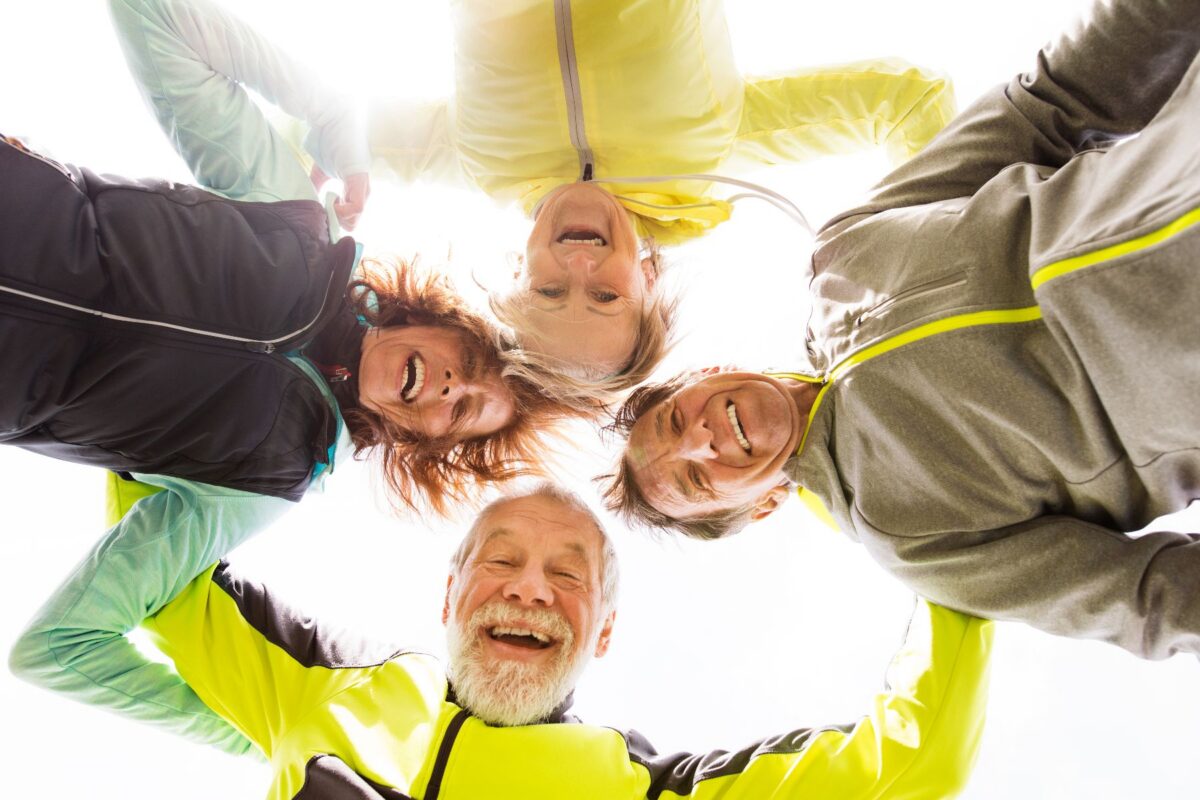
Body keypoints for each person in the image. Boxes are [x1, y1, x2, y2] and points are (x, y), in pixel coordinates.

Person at [603, 0, 1200, 661]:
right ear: (762, 506)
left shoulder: (843, 252)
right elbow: (1148, 598)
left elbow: (1052, 101)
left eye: (673, 422)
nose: (702, 442)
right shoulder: (910, 538)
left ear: (707, 374)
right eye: (694, 481)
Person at [10, 480, 993, 798]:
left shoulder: (643, 787)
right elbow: (160, 550)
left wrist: (866, 496)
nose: (530, 587)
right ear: (448, 591)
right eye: (502, 559)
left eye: (569, 574)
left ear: (601, 632)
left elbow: (916, 757)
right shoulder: (324, 684)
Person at [172, 0, 958, 395]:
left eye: (549, 290)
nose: (578, 264)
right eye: (605, 294)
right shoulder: (712, 156)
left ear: (517, 271)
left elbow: (316, 128)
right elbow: (906, 103)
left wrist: (312, 166)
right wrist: (917, 262)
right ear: (650, 278)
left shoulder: (479, 164)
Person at [0, 0, 577, 522]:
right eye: (470, 361)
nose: (453, 388)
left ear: (420, 440)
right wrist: (331, 114)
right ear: (431, 318)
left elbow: (63, 640)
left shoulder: (272, 475)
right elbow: (151, 14)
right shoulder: (294, 224)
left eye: (463, 411)